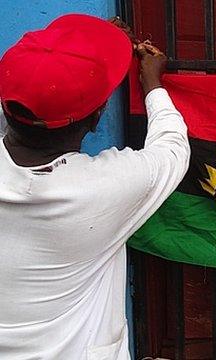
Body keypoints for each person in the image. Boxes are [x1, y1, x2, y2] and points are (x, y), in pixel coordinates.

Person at [0, 14, 190, 359]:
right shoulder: (105, 188)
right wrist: (153, 84)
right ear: (97, 117)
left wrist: (100, 50)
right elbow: (173, 149)